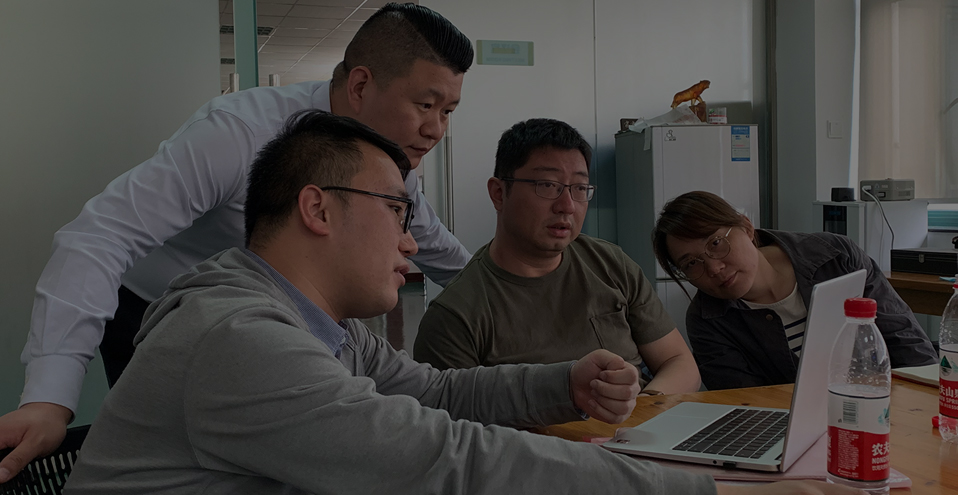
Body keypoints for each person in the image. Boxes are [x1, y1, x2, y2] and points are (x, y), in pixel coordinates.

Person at [63, 111, 861, 495]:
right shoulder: (239, 336)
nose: (412, 241)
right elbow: (441, 457)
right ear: (317, 209)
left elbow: (436, 392)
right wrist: (715, 491)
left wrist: (564, 382)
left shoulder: (322, 328)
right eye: (397, 210)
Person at [0, 3, 473, 483]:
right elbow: (100, 235)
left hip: (277, 315)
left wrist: (509, 292)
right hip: (158, 311)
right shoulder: (240, 133)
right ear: (360, 86)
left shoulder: (388, 163)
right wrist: (49, 398)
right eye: (425, 105)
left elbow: (437, 246)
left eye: (448, 112)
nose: (436, 130)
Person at [414, 118, 701, 397]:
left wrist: (643, 411)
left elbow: (679, 362)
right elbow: (456, 421)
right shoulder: (455, 317)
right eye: (548, 185)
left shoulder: (611, 264)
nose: (567, 206)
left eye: (579, 188)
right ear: (499, 193)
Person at [651, 190, 938, 391]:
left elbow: (908, 346)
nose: (714, 268)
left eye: (716, 243)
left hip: (884, 410)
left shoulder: (835, 257)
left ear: (747, 228)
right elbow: (744, 403)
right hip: (792, 436)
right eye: (691, 263)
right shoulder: (707, 320)